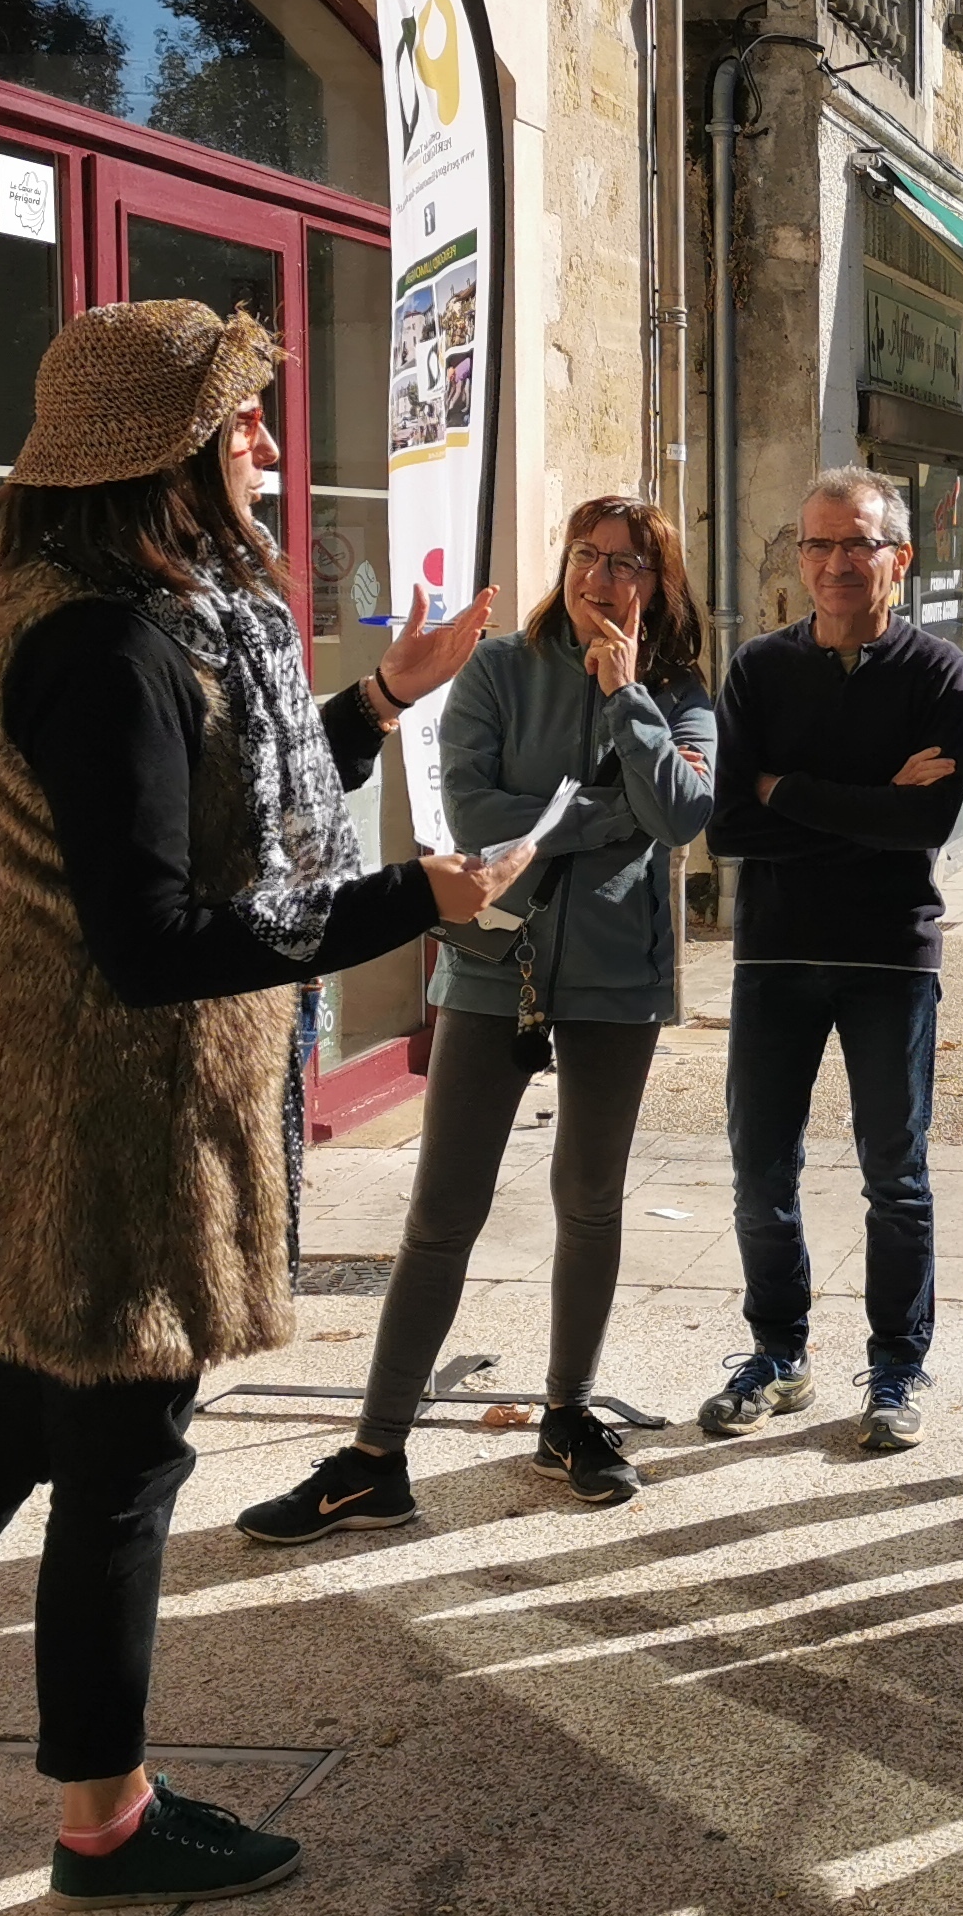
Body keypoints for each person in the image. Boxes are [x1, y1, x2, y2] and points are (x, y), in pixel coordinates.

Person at [0, 302, 512, 1906]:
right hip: (112, 1126)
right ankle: (107, 1817)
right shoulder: (109, 647)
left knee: (14, 1419)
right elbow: (156, 935)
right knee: (126, 1457)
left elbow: (205, 789)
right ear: (166, 458)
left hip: (51, 1096)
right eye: (243, 430)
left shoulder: (94, 612)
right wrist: (408, 903)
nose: (271, 454)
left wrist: (380, 702)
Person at [237, 493, 716, 1541]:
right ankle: (375, 1454)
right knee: (441, 1214)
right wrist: (602, 814)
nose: (603, 577)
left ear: (659, 583)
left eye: (628, 563)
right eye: (588, 556)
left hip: (613, 979)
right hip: (495, 966)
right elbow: (471, 815)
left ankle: (569, 1414)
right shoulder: (499, 669)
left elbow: (682, 814)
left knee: (589, 1199)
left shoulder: (676, 692)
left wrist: (629, 704)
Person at [703, 466, 963, 1453]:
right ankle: (778, 1354)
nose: (832, 564)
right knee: (758, 1170)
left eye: (855, 545)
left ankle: (897, 1368)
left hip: (889, 955)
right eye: (816, 544)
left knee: (895, 1174)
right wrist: (866, 797)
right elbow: (728, 824)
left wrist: (788, 787)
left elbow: (927, 825)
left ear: (898, 559)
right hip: (776, 953)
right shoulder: (758, 671)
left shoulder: (940, 675)